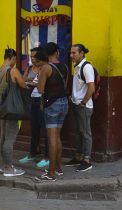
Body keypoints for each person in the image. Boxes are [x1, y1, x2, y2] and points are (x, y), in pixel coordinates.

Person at [34, 48, 69, 182]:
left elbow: (40, 89)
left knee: (51, 138)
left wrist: (37, 84)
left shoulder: (46, 68)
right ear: (57, 53)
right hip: (64, 102)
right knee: (57, 137)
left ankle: (51, 172)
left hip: (52, 104)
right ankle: (58, 168)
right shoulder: (64, 66)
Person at [0, 47, 26, 177]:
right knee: (10, 138)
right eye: (15, 59)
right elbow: (23, 85)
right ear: (12, 58)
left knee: (4, 136)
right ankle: (9, 167)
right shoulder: (13, 71)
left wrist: (3, 92)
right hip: (13, 108)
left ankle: (5, 165)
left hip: (2, 107)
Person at [19, 46, 49, 168]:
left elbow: (45, 84)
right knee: (34, 127)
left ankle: (47, 156)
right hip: (32, 99)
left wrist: (34, 83)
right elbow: (23, 80)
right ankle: (32, 153)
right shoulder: (30, 68)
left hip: (43, 100)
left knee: (45, 129)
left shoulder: (46, 68)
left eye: (34, 56)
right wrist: (28, 82)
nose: (32, 59)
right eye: (31, 56)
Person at [66, 43, 95, 172]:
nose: (71, 55)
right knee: (79, 132)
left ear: (82, 53)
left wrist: (83, 102)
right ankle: (78, 157)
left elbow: (91, 87)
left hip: (84, 106)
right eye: (71, 53)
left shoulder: (86, 67)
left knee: (86, 133)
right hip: (77, 105)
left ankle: (87, 160)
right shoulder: (77, 67)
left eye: (74, 53)